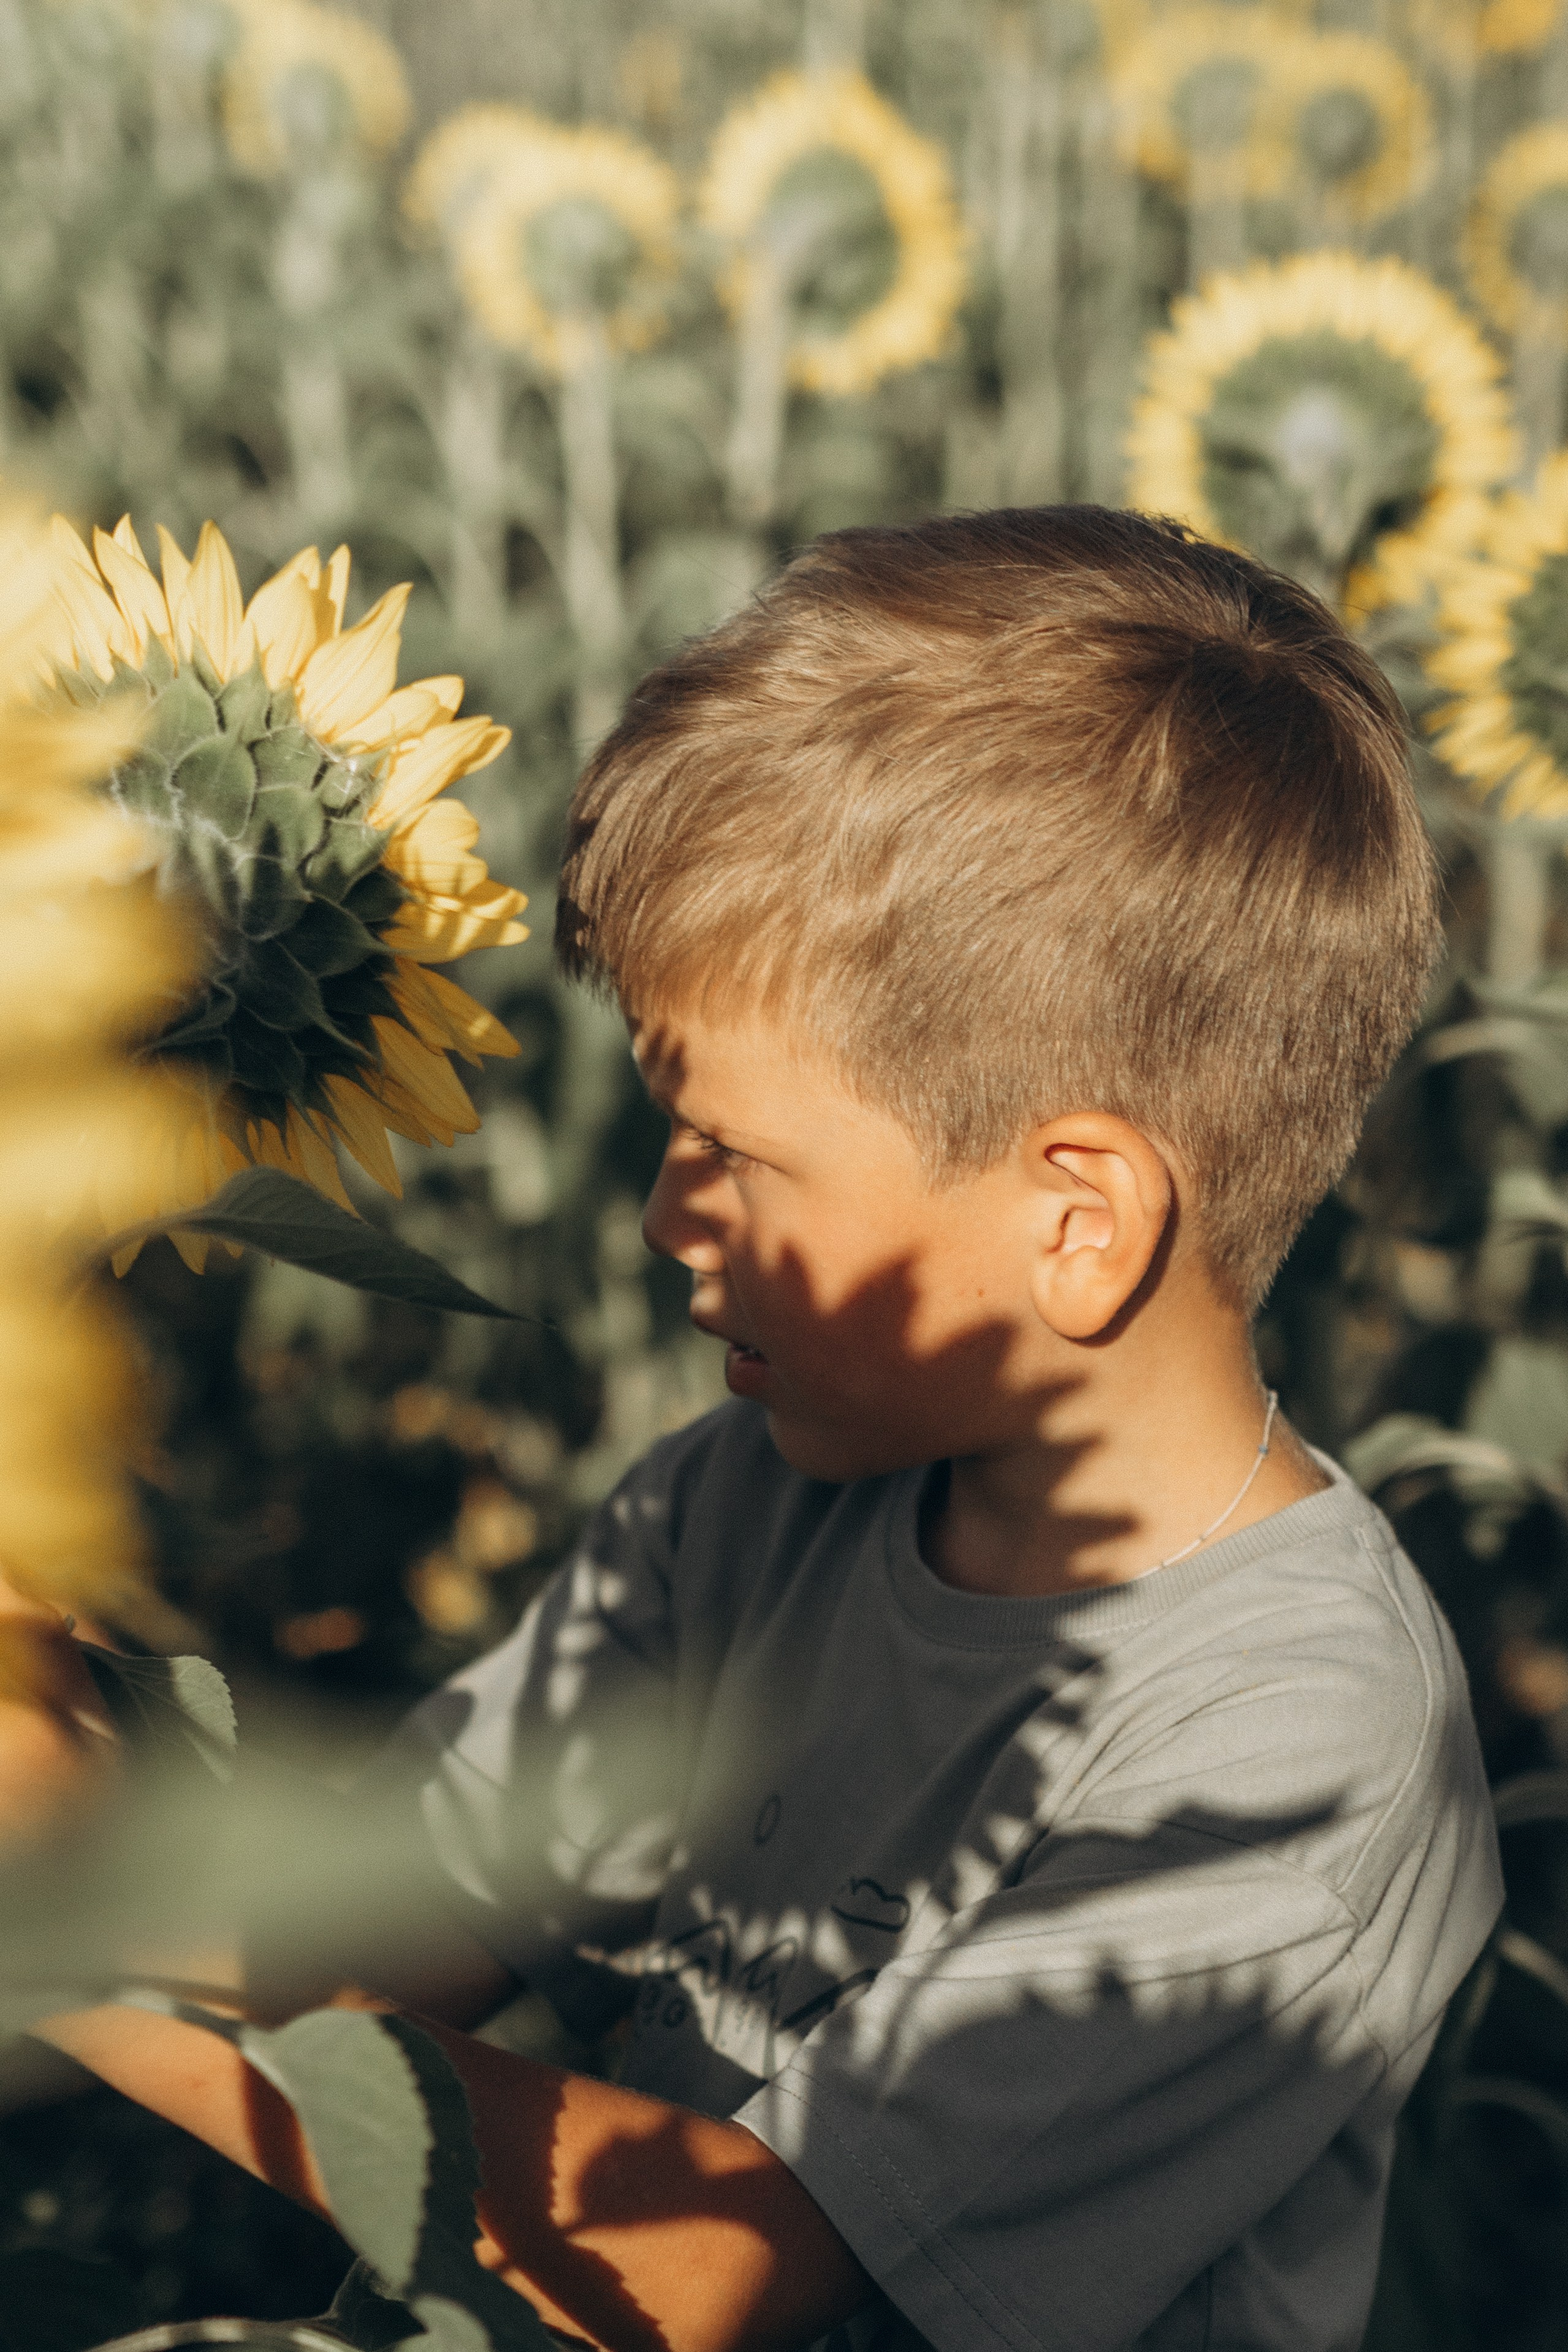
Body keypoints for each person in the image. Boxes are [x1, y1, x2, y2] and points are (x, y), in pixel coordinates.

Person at [8, 507, 1500, 2352]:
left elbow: (724, 2270)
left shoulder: (1297, 1747)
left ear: (1075, 1219)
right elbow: (397, 1930)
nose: (661, 1217)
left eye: (732, 1153)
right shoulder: (749, 1501)